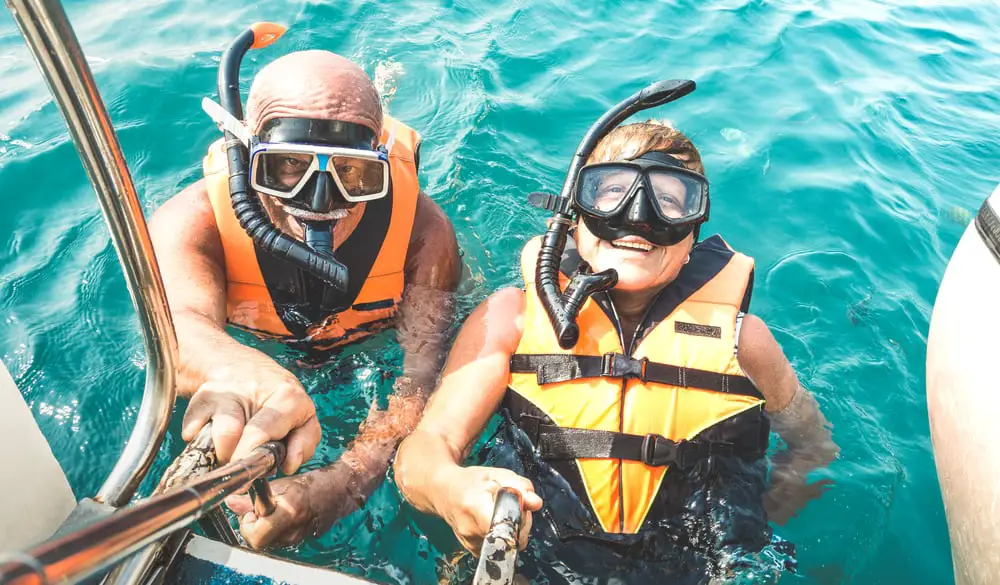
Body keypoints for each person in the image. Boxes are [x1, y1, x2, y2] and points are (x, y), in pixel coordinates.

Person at [394, 82, 838, 582]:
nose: (638, 217)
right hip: (538, 562)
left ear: (693, 234)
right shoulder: (511, 318)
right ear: (575, 217)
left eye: (671, 202)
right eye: (610, 192)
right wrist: (452, 489)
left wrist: (760, 524)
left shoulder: (744, 342)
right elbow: (422, 451)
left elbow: (812, 444)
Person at [149, 30, 460, 549]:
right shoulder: (193, 223)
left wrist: (347, 482)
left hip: (364, 348)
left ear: (380, 164)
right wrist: (237, 368)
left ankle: (382, 86)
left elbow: (420, 376)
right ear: (246, 155)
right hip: (267, 354)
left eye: (353, 173)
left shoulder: (423, 233)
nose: (320, 199)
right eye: (288, 165)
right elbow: (173, 326)